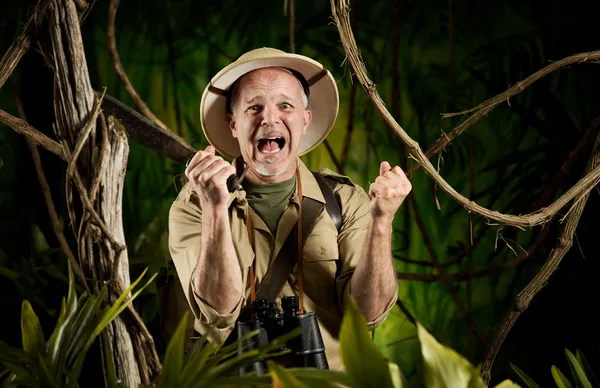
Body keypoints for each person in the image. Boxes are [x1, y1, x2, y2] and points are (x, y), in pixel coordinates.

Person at [167, 47, 412, 371]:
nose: (269, 118)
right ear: (233, 124)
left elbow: (366, 316)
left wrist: (382, 222)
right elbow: (217, 313)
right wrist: (215, 208)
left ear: (304, 119)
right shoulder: (194, 205)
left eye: (285, 105)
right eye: (254, 107)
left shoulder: (345, 201)